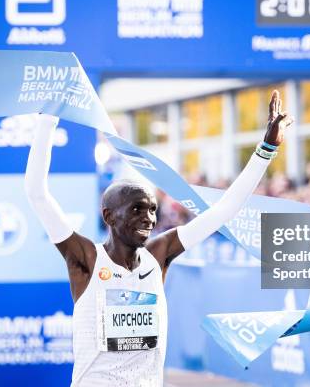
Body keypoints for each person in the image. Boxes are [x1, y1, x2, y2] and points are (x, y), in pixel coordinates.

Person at [25, 91, 293, 386]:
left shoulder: (158, 255)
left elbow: (224, 211)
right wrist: (48, 119)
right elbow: (37, 192)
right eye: (137, 209)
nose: (149, 218)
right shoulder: (86, 258)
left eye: (153, 209)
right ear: (109, 216)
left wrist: (266, 149)